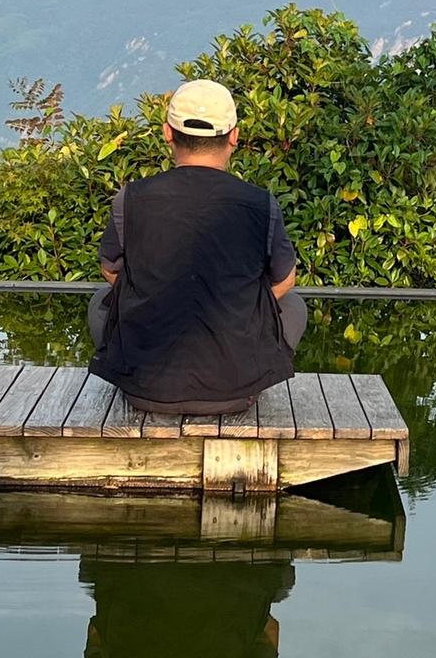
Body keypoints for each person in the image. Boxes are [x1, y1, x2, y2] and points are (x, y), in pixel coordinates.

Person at [88, 79, 306, 415]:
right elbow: (285, 280)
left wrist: (154, 296)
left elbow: (109, 268)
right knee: (295, 307)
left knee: (98, 303)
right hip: (236, 391)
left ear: (167, 133)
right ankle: (249, 383)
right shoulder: (261, 204)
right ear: (233, 136)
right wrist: (236, 305)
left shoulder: (131, 198)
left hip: (144, 390)